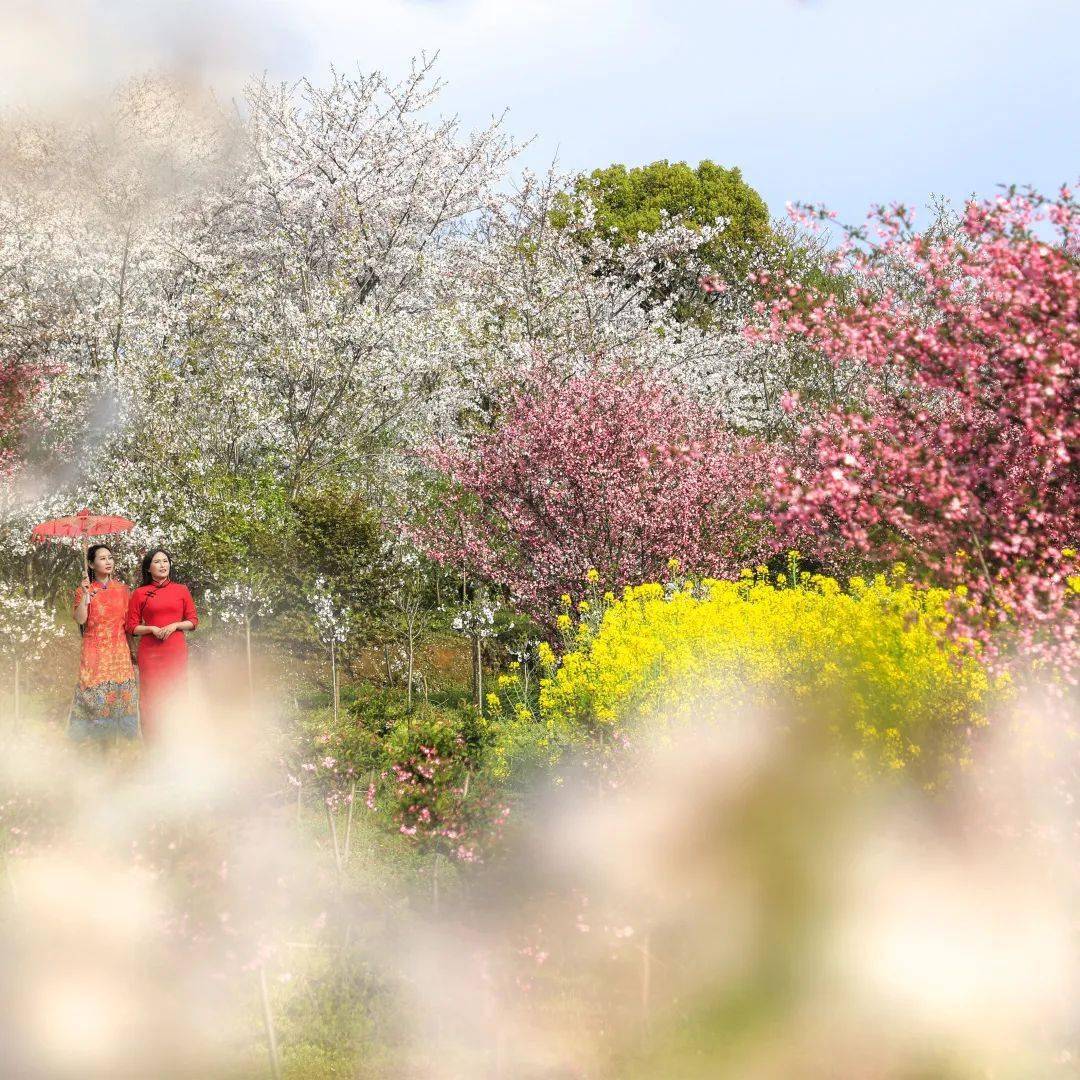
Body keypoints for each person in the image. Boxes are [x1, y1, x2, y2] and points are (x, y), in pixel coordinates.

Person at [126, 548, 198, 740]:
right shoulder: (140, 593)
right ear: (148, 568)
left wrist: (175, 625)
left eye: (165, 561)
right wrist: (151, 629)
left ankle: (179, 739)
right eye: (157, 562)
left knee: (177, 691)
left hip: (175, 650)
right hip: (150, 653)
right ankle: (152, 741)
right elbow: (131, 627)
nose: (162, 565)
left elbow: (193, 621)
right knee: (151, 696)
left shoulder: (181, 590)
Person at [69, 544, 139, 743]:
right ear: (91, 564)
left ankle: (124, 744)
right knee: (93, 692)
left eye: (110, 557)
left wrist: (133, 651)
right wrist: (84, 596)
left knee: (122, 695)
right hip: (95, 651)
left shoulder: (123, 590)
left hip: (119, 651)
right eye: (102, 558)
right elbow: (81, 620)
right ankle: (92, 743)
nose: (108, 562)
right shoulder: (85, 590)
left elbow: (128, 625)